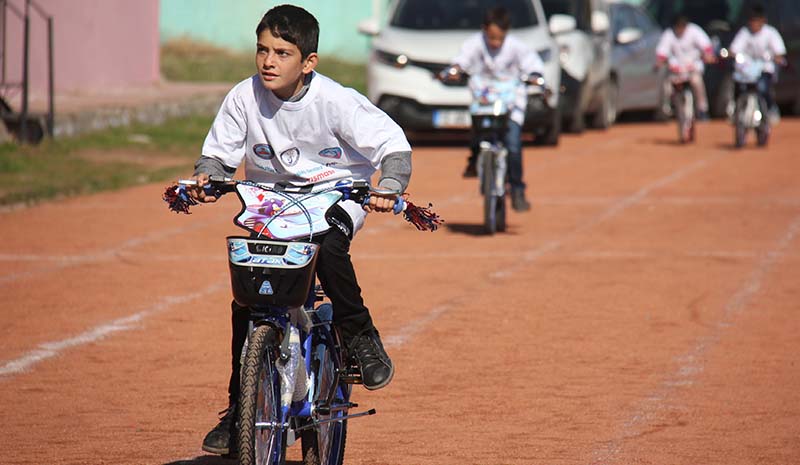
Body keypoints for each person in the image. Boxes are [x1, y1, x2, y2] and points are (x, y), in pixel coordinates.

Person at [186, 4, 412, 456]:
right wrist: (206, 178)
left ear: (308, 62)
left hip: (335, 196)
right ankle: (239, 408)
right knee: (249, 295)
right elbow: (217, 154)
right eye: (262, 50)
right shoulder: (243, 97)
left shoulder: (334, 99)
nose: (269, 61)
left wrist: (388, 185)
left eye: (283, 53)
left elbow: (392, 145)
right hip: (271, 204)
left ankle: (359, 334)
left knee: (329, 248)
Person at [444, 6, 544, 212]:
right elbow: (461, 61)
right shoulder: (474, 44)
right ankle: (474, 159)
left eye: (500, 38)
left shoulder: (517, 47)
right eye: (491, 37)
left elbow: (532, 64)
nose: (495, 43)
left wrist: (535, 75)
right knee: (477, 133)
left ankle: (517, 189)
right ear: (484, 30)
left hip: (510, 104)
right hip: (484, 103)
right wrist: (455, 71)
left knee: (514, 145)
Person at [728, 4, 787, 122]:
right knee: (738, 86)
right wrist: (731, 54)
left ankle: (770, 109)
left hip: (764, 68)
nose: (753, 24)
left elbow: (779, 52)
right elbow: (734, 49)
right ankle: (736, 110)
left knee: (763, 88)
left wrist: (777, 57)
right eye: (752, 21)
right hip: (747, 70)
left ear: (762, 21)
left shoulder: (771, 33)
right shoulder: (744, 32)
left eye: (756, 21)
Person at [654, 14, 716, 120]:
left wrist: (708, 55)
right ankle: (665, 110)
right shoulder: (669, 34)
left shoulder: (694, 31)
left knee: (697, 83)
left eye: (682, 26)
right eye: (678, 26)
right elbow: (662, 51)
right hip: (675, 70)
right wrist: (660, 61)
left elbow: (706, 46)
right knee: (666, 87)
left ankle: (702, 110)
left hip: (692, 68)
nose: (680, 29)